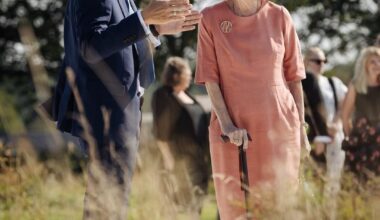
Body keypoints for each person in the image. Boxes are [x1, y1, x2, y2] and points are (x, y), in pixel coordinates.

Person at [48, 0, 202, 219]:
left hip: (124, 111)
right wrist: (143, 18)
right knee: (108, 201)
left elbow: (121, 48)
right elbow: (90, 48)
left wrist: (154, 28)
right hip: (107, 114)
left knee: (114, 199)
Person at [195, 0, 310, 219]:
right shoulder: (209, 17)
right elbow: (210, 78)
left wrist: (301, 129)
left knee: (280, 208)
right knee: (236, 210)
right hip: (233, 130)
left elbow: (294, 77)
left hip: (280, 128)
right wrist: (227, 125)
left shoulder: (279, 15)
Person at [151, 57, 210, 218]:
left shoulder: (187, 95)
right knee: (179, 205)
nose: (190, 76)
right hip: (178, 161)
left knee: (196, 205)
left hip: (197, 160)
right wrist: (168, 159)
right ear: (176, 75)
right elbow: (161, 132)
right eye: (187, 73)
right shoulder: (163, 95)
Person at [303, 47, 347, 220]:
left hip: (335, 138)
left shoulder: (333, 82)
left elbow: (345, 104)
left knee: (335, 182)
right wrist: (318, 134)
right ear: (306, 62)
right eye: (317, 61)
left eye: (324, 61)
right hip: (314, 140)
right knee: (316, 182)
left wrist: (336, 123)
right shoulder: (302, 83)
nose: (321, 64)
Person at [341, 46, 380, 179]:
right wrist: (351, 136)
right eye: (373, 62)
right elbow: (345, 116)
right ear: (365, 64)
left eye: (379, 61)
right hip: (360, 142)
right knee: (359, 183)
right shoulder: (355, 85)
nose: (377, 65)